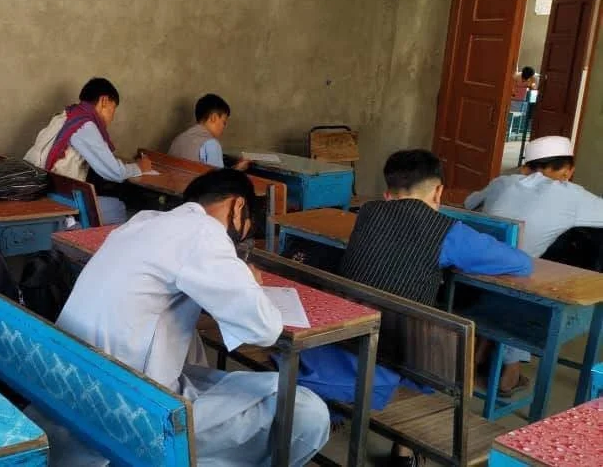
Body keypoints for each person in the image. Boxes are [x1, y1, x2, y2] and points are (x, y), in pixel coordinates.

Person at [34, 168, 329, 466]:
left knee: (200, 358)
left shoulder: (141, 222)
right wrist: (250, 281)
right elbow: (264, 328)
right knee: (305, 410)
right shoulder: (204, 232)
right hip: (126, 414)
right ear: (239, 206)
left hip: (72, 391)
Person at [293, 149, 531, 467]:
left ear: (387, 192)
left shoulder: (367, 213)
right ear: (438, 191)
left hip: (338, 341)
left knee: (397, 316)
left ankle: (351, 419)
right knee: (421, 336)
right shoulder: (446, 231)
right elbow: (520, 263)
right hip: (386, 360)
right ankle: (403, 451)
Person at [465, 136, 603, 395]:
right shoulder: (569, 194)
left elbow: (469, 203)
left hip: (471, 285)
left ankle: (484, 355)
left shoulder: (501, 182)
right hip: (521, 297)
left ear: (525, 167)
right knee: (539, 270)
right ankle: (511, 370)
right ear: (567, 171)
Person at [24, 77, 152, 225]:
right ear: (104, 101)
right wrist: (140, 167)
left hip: (41, 188)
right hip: (56, 199)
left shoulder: (65, 116)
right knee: (120, 208)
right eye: (113, 109)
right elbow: (114, 172)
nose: (112, 117)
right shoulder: (84, 126)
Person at [167, 93, 250, 170]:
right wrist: (237, 170)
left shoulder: (179, 139)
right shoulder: (211, 144)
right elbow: (219, 183)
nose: (224, 127)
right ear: (213, 118)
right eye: (224, 122)